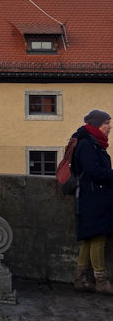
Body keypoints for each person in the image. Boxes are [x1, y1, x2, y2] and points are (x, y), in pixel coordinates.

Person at [72, 109, 113, 293]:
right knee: (98, 236)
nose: (110, 127)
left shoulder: (92, 142)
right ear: (97, 125)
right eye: (106, 123)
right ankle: (101, 281)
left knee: (89, 238)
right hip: (93, 197)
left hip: (93, 195)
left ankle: (80, 279)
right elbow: (93, 171)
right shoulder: (88, 144)